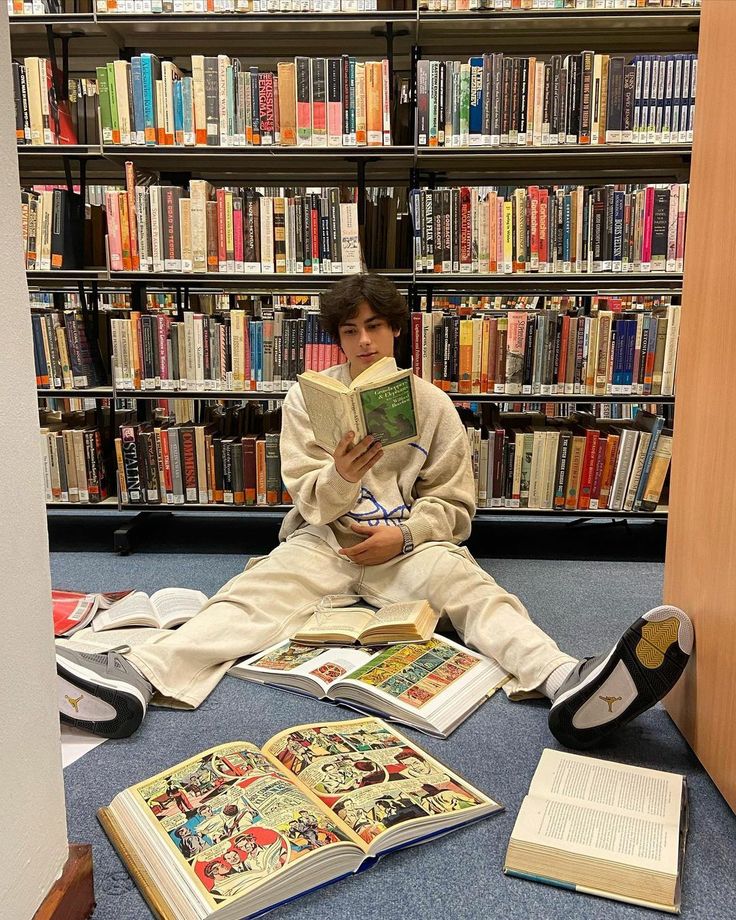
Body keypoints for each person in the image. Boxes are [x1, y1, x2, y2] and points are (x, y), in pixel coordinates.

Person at [55, 273, 693, 751]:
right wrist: (342, 478)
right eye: (349, 331)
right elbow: (306, 497)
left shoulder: (432, 403)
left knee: (474, 590)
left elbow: (454, 503)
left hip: (406, 548)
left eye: (375, 328)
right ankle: (135, 677)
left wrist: (406, 534)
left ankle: (565, 680)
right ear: (337, 339)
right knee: (250, 598)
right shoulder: (309, 400)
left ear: (396, 330)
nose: (363, 341)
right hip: (324, 541)